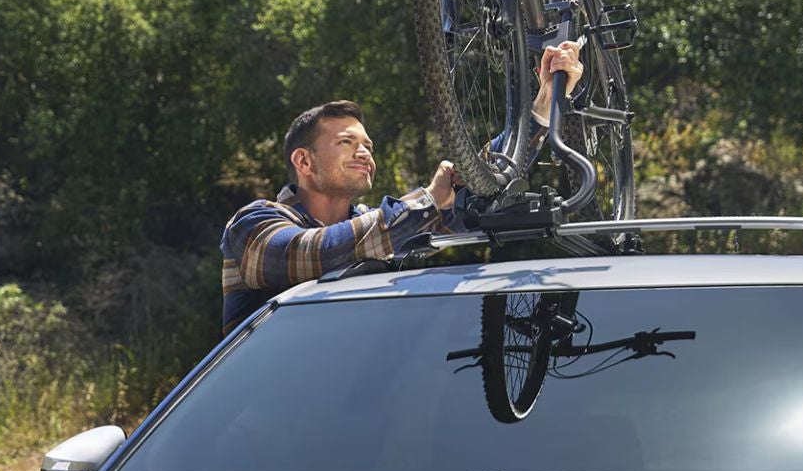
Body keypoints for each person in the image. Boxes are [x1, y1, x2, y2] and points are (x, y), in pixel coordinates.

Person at [220, 41, 586, 332]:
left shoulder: (381, 227)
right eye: (346, 143)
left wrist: (543, 106)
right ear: (303, 161)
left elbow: (482, 190)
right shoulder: (254, 223)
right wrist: (425, 202)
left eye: (368, 146)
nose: (364, 152)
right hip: (269, 414)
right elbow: (308, 255)